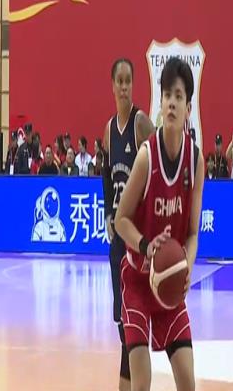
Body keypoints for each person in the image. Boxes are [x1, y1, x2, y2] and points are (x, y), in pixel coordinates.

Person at [115, 57, 203, 391]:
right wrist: (144, 245)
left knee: (187, 381)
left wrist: (186, 266)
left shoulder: (195, 160)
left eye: (178, 96)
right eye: (167, 95)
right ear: (161, 102)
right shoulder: (146, 156)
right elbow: (121, 220)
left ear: (188, 107)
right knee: (141, 383)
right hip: (138, 282)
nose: (171, 102)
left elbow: (192, 233)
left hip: (168, 285)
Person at [101, 58, 155, 391]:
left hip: (138, 238)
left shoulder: (141, 123)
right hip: (118, 240)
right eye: (119, 81)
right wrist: (109, 213)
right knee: (123, 323)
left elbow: (158, 167)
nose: (124, 86)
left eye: (128, 80)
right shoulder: (109, 130)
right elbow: (106, 175)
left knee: (136, 326)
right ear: (112, 85)